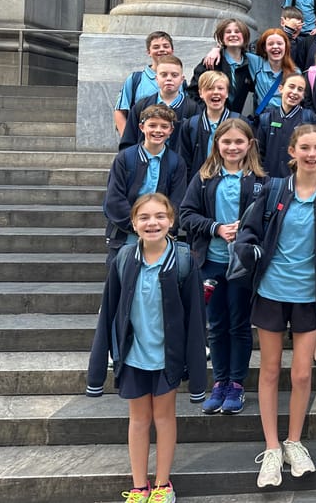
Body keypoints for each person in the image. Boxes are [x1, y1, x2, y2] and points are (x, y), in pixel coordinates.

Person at [232, 124, 316, 488]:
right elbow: (248, 232)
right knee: (269, 371)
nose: (311, 153)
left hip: (309, 294)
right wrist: (248, 250)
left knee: (301, 373)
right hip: (271, 290)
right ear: (292, 151)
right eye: (305, 147)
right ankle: (271, 448)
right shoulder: (273, 190)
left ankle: (294, 441)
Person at [87, 193, 206, 503]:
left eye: (159, 216)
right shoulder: (124, 259)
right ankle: (139, 485)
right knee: (138, 419)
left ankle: (163, 484)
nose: (152, 222)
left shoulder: (183, 261)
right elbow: (110, 310)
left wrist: (196, 371)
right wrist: (102, 363)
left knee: (164, 418)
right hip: (134, 356)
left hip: (167, 357)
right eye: (144, 217)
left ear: (171, 221)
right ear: (134, 223)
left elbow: (195, 319)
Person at [179, 119, 267, 415]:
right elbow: (186, 215)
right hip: (212, 263)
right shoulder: (204, 177)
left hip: (241, 267)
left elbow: (269, 220)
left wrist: (247, 231)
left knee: (239, 324)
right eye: (226, 142)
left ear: (250, 145)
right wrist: (215, 227)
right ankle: (219, 382)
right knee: (216, 325)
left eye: (239, 142)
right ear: (217, 144)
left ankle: (237, 384)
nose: (232, 147)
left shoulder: (260, 180)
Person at [103, 105, 188, 265]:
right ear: (142, 127)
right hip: (126, 237)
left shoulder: (176, 163)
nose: (158, 130)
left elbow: (177, 201)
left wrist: (158, 227)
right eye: (152, 125)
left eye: (164, 126)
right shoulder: (125, 159)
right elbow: (114, 200)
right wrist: (139, 226)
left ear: (171, 130)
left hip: (161, 237)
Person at [119, 55, 196, 152]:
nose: (169, 79)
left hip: (179, 166)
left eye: (174, 75)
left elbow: (196, 146)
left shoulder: (192, 108)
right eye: (164, 75)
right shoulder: (141, 106)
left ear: (182, 79)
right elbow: (128, 141)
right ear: (156, 78)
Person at [188, 19, 260, 115]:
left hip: (233, 119)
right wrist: (206, 112)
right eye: (228, 32)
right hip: (209, 117)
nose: (233, 34)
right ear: (222, 37)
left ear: (245, 36)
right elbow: (192, 91)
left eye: (237, 32)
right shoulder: (212, 61)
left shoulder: (250, 63)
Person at [179, 71, 237, 184]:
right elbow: (185, 162)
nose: (215, 92)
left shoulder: (240, 122)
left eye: (220, 88)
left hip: (232, 184)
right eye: (209, 88)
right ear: (201, 93)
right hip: (199, 184)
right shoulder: (191, 125)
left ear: (227, 93)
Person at [256, 73, 316, 178]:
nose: (295, 92)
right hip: (270, 182)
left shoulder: (309, 118)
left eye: (300, 89)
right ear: (281, 88)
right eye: (291, 86)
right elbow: (259, 154)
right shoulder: (266, 118)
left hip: (298, 182)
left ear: (303, 95)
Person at [113, 31, 176, 135]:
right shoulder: (135, 79)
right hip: (140, 141)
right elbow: (120, 111)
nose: (161, 50)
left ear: (172, 50)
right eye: (156, 47)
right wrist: (127, 141)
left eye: (165, 46)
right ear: (148, 52)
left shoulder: (180, 82)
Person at [251, 28, 300, 117]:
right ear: (264, 48)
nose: (275, 47)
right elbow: (236, 52)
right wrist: (218, 49)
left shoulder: (295, 72)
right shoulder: (257, 64)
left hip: (285, 119)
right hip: (263, 119)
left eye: (280, 43)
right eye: (270, 44)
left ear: (286, 46)